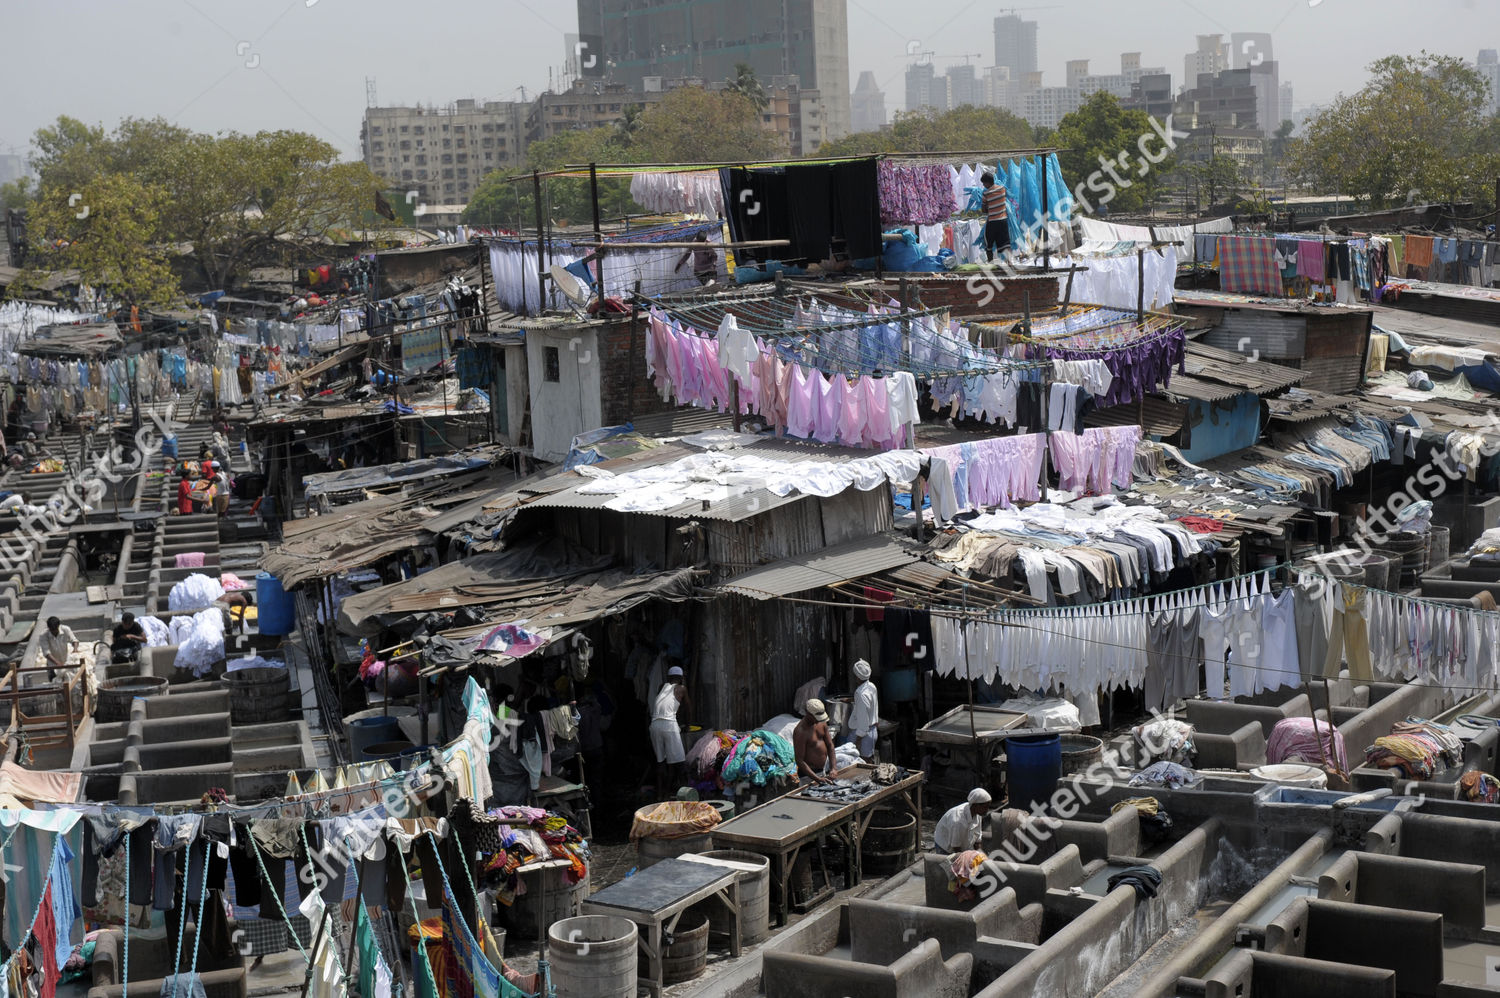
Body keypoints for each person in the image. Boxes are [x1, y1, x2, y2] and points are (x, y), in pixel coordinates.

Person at [650, 665, 691, 797]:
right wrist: (688, 725)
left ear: (668, 677)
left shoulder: (661, 686)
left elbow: (667, 705)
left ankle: (661, 794)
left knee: (661, 761)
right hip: (669, 725)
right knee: (680, 761)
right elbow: (688, 708)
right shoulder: (682, 688)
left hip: (655, 724)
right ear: (681, 678)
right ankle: (687, 794)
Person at [933, 788, 993, 854]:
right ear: (975, 805)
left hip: (961, 845)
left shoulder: (978, 814)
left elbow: (977, 840)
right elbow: (956, 848)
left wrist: (980, 855)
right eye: (985, 807)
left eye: (988, 807)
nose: (987, 810)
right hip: (945, 846)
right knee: (946, 863)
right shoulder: (958, 820)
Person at [842, 659, 880, 761]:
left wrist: (858, 742)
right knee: (867, 762)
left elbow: (863, 721)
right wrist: (851, 700)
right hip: (871, 731)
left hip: (863, 735)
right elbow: (869, 702)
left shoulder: (861, 694)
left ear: (857, 677)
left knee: (861, 766)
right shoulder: (871, 686)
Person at [793, 699, 837, 785]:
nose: (817, 720)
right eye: (815, 718)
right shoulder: (800, 731)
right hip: (808, 776)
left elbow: (830, 745)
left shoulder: (822, 723)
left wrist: (833, 768)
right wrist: (817, 779)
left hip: (822, 770)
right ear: (808, 713)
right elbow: (799, 760)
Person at [979, 172, 1011, 262]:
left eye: (984, 183)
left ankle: (990, 262)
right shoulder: (1002, 189)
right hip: (1003, 220)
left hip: (992, 221)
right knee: (1005, 242)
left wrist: (987, 206)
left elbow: (984, 211)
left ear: (988, 182)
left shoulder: (986, 194)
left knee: (989, 243)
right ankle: (1010, 262)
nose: (984, 185)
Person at [39, 616, 77, 682]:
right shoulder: (43, 635)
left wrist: (75, 650)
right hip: (52, 665)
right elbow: (46, 652)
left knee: (69, 681)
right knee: (54, 683)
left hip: (65, 661)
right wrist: (57, 663)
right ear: (49, 628)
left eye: (55, 629)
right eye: (51, 630)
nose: (53, 632)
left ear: (58, 626)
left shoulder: (65, 629)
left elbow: (74, 640)